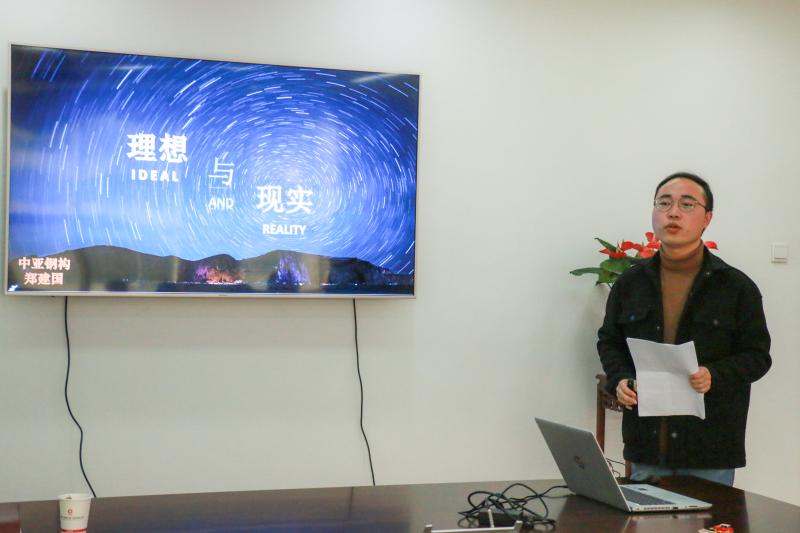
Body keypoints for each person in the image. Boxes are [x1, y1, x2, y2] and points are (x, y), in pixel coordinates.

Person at [597, 172, 771, 486]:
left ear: (707, 218)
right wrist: (619, 379)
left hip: (710, 448)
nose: (673, 212)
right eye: (664, 203)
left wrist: (714, 375)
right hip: (647, 446)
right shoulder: (630, 283)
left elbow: (757, 357)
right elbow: (610, 342)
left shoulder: (736, 287)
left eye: (687, 204)